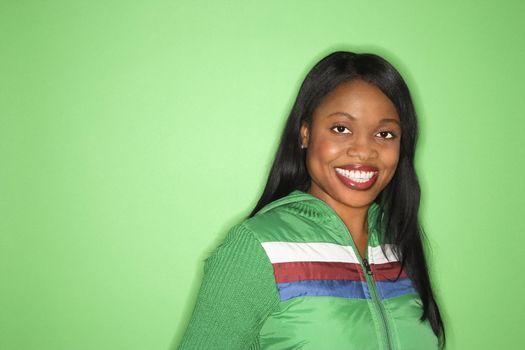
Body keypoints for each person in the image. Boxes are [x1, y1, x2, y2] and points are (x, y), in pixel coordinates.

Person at [178, 51, 445, 349]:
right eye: (341, 129)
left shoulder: (398, 244)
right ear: (305, 133)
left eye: (384, 134)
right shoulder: (259, 248)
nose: (364, 150)